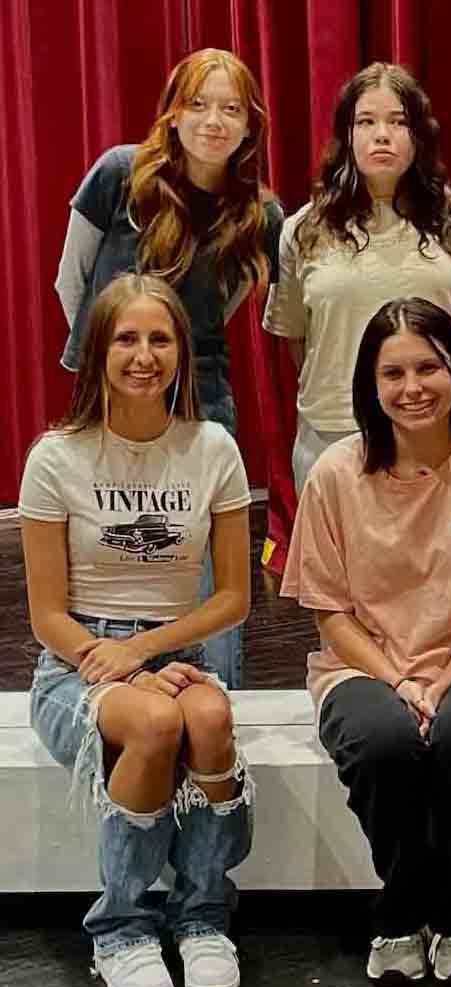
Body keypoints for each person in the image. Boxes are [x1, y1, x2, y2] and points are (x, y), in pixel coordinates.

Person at [282, 297, 451, 983]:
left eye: (427, 367)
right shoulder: (336, 475)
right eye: (391, 373)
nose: (411, 388)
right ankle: (399, 913)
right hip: (362, 665)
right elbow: (330, 614)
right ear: (370, 386)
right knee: (382, 743)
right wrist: (399, 682)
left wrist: (441, 679)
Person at [20, 274, 254, 987]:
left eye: (160, 338)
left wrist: (154, 652)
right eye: (126, 337)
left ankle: (202, 915)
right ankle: (121, 926)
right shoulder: (56, 457)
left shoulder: (213, 447)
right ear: (97, 352)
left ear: (183, 353)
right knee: (153, 722)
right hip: (78, 662)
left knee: (209, 719)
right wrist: (118, 662)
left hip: (178, 649)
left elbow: (233, 598)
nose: (144, 354)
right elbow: (46, 615)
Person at [55, 47, 284, 688]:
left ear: (248, 125)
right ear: (174, 114)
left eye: (231, 109)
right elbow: (71, 282)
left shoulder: (259, 214)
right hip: (108, 390)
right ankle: (104, 690)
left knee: (207, 562)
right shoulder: (119, 174)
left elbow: (227, 304)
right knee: (108, 544)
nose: (214, 121)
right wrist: (110, 357)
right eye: (200, 105)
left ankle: (217, 699)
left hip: (200, 397)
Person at [263, 62, 451, 508]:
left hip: (446, 432)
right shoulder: (302, 230)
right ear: (346, 135)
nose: (382, 135)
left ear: (419, 136)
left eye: (398, 121)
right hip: (335, 432)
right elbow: (297, 340)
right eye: (366, 122)